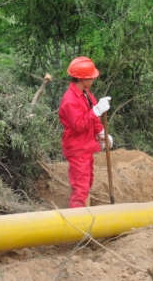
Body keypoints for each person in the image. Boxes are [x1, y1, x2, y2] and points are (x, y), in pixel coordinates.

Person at [58, 57, 113, 208]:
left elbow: (93, 118)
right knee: (80, 190)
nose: (94, 79)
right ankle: (79, 226)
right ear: (83, 79)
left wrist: (101, 132)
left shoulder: (86, 93)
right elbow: (79, 125)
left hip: (86, 146)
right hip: (77, 149)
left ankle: (87, 219)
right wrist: (96, 111)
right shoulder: (70, 100)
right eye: (92, 77)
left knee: (86, 184)